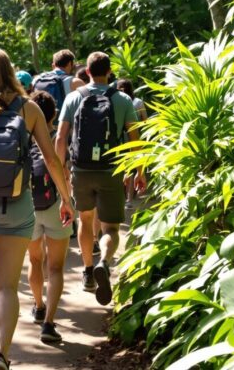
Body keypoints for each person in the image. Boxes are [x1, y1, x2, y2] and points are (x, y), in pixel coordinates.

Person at [0, 48, 74, 370]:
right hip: (17, 205)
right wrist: (66, 198)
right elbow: (51, 159)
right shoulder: (29, 108)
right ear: (9, 71)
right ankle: (2, 355)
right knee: (6, 285)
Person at [55, 51, 145, 306]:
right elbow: (135, 138)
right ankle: (104, 262)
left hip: (81, 169)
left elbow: (61, 137)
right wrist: (138, 171)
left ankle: (87, 271)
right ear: (109, 72)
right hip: (111, 170)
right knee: (111, 228)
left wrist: (61, 168)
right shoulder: (123, 99)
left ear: (87, 72)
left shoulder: (74, 97)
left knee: (85, 220)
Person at [25, 90, 72, 344]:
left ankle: (39, 304)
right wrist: (67, 199)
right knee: (55, 267)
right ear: (53, 114)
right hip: (56, 205)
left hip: (29, 208)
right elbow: (63, 172)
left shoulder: (23, 137)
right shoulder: (57, 140)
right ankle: (49, 323)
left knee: (34, 261)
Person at [31, 50, 85, 122]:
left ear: (54, 64)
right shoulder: (75, 82)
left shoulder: (37, 79)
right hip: (63, 127)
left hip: (40, 124)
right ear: (70, 64)